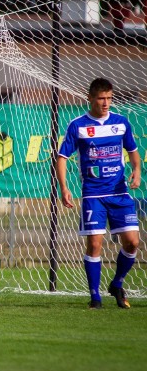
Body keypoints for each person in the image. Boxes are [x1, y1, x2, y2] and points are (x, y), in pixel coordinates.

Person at [57, 77, 141, 309]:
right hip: (93, 195)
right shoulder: (78, 125)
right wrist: (64, 187)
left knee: (133, 243)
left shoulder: (121, 123)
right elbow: (62, 157)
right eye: (101, 98)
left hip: (119, 193)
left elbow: (133, 151)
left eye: (109, 98)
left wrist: (136, 170)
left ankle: (117, 283)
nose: (106, 103)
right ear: (90, 99)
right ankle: (95, 297)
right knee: (95, 245)